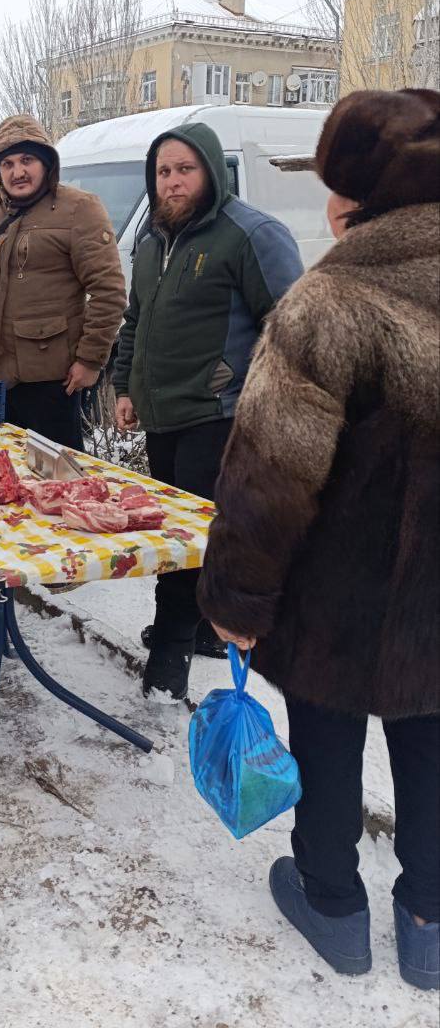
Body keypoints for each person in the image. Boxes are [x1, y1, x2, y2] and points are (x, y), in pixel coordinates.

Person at [199, 88, 439, 990]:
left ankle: (332, 905)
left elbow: (269, 479)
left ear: (362, 194)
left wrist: (233, 602)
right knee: (433, 746)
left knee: (328, 740)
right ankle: (429, 926)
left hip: (335, 597)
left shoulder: (328, 304)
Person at [111, 122, 302, 700]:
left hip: (218, 416)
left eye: (184, 170)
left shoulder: (250, 234)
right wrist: (126, 388)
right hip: (164, 417)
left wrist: (258, 403)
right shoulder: (152, 244)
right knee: (179, 533)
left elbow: (293, 328)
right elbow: (135, 324)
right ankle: (195, 630)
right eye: (163, 172)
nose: (172, 182)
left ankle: (168, 658)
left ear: (212, 172)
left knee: (189, 537)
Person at [0, 115, 126, 451]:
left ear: (47, 163)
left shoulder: (79, 208)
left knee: (54, 481)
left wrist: (90, 361)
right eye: (7, 163)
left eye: (27, 160)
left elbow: (109, 291)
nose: (17, 171)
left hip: (51, 381)